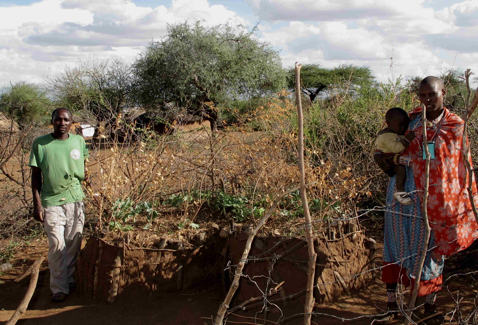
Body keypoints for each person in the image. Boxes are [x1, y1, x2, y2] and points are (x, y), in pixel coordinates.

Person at [374, 76, 478, 322]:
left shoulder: (456, 125)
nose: (428, 100)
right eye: (423, 95)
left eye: (432, 94)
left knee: (430, 249)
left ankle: (428, 308)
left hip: (437, 197)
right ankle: (392, 304)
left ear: (443, 92)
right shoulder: (410, 121)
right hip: (403, 190)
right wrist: (394, 161)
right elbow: (386, 149)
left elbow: (460, 165)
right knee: (396, 242)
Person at [29, 108, 88, 302]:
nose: (62, 123)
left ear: (72, 122)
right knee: (57, 245)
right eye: (58, 119)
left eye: (66, 119)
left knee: (73, 244)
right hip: (51, 202)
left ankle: (68, 279)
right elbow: (36, 177)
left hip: (75, 200)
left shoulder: (78, 141)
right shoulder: (40, 144)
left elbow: (82, 167)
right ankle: (58, 288)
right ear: (52, 121)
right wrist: (37, 205)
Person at [375, 107, 416, 205]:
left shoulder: (394, 132)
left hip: (394, 158)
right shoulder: (387, 136)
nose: (403, 128)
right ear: (388, 123)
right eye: (400, 125)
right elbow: (396, 148)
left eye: (405, 125)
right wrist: (407, 140)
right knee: (400, 170)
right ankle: (400, 191)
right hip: (389, 159)